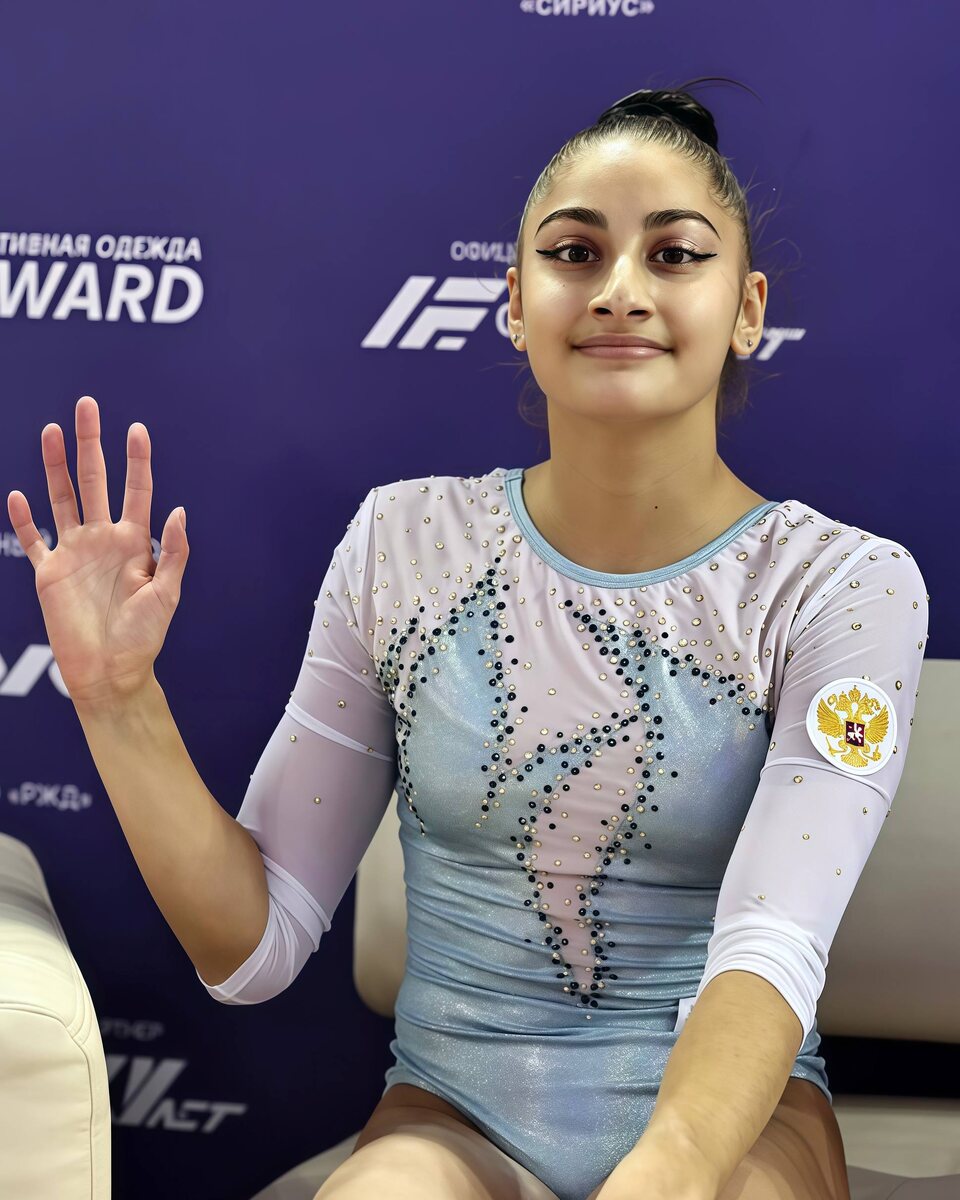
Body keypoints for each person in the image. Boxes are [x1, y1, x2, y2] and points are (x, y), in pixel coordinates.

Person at [7, 80, 928, 1200]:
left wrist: (669, 1171)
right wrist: (118, 702)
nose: (621, 290)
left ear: (747, 307)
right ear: (515, 301)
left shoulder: (842, 585)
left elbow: (773, 943)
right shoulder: (405, 544)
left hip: (735, 1135)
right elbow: (252, 948)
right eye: (575, 253)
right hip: (455, 1123)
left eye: (676, 254)